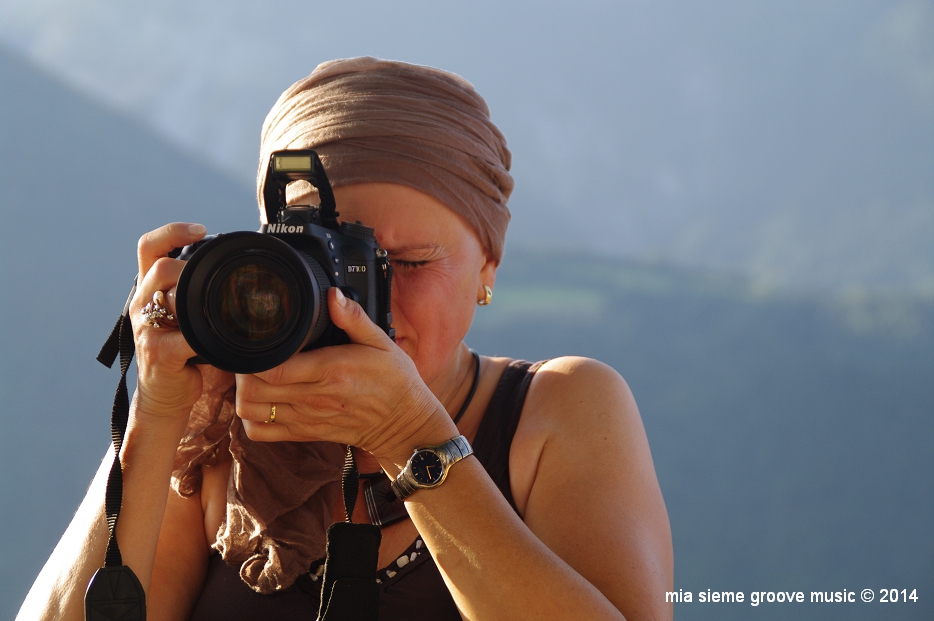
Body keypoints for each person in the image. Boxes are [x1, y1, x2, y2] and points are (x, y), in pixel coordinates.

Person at [19, 57, 673, 620]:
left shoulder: (558, 412)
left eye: (411, 263)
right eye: (331, 263)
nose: (360, 301)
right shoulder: (214, 430)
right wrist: (156, 415)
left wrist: (412, 439)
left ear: (488, 267)